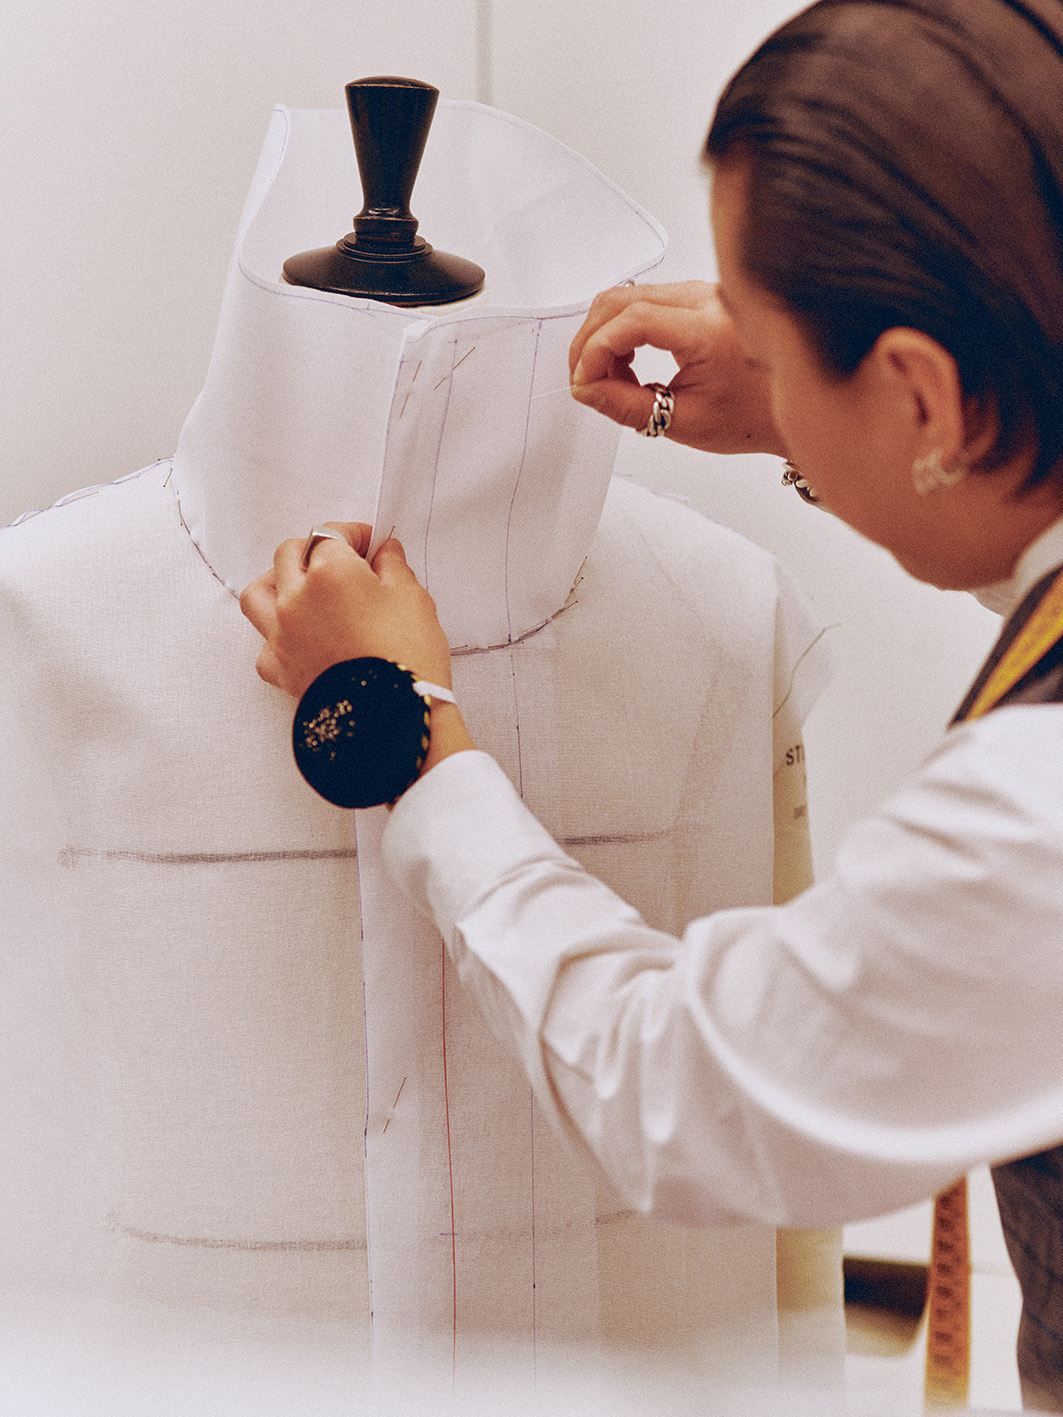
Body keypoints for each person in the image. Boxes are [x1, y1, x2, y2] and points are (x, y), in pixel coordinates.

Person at [240, 0, 1063, 1406]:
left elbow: (679, 1089)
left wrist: (408, 728)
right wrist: (811, 406)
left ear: (922, 394)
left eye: (777, 348)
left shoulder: (1029, 814)